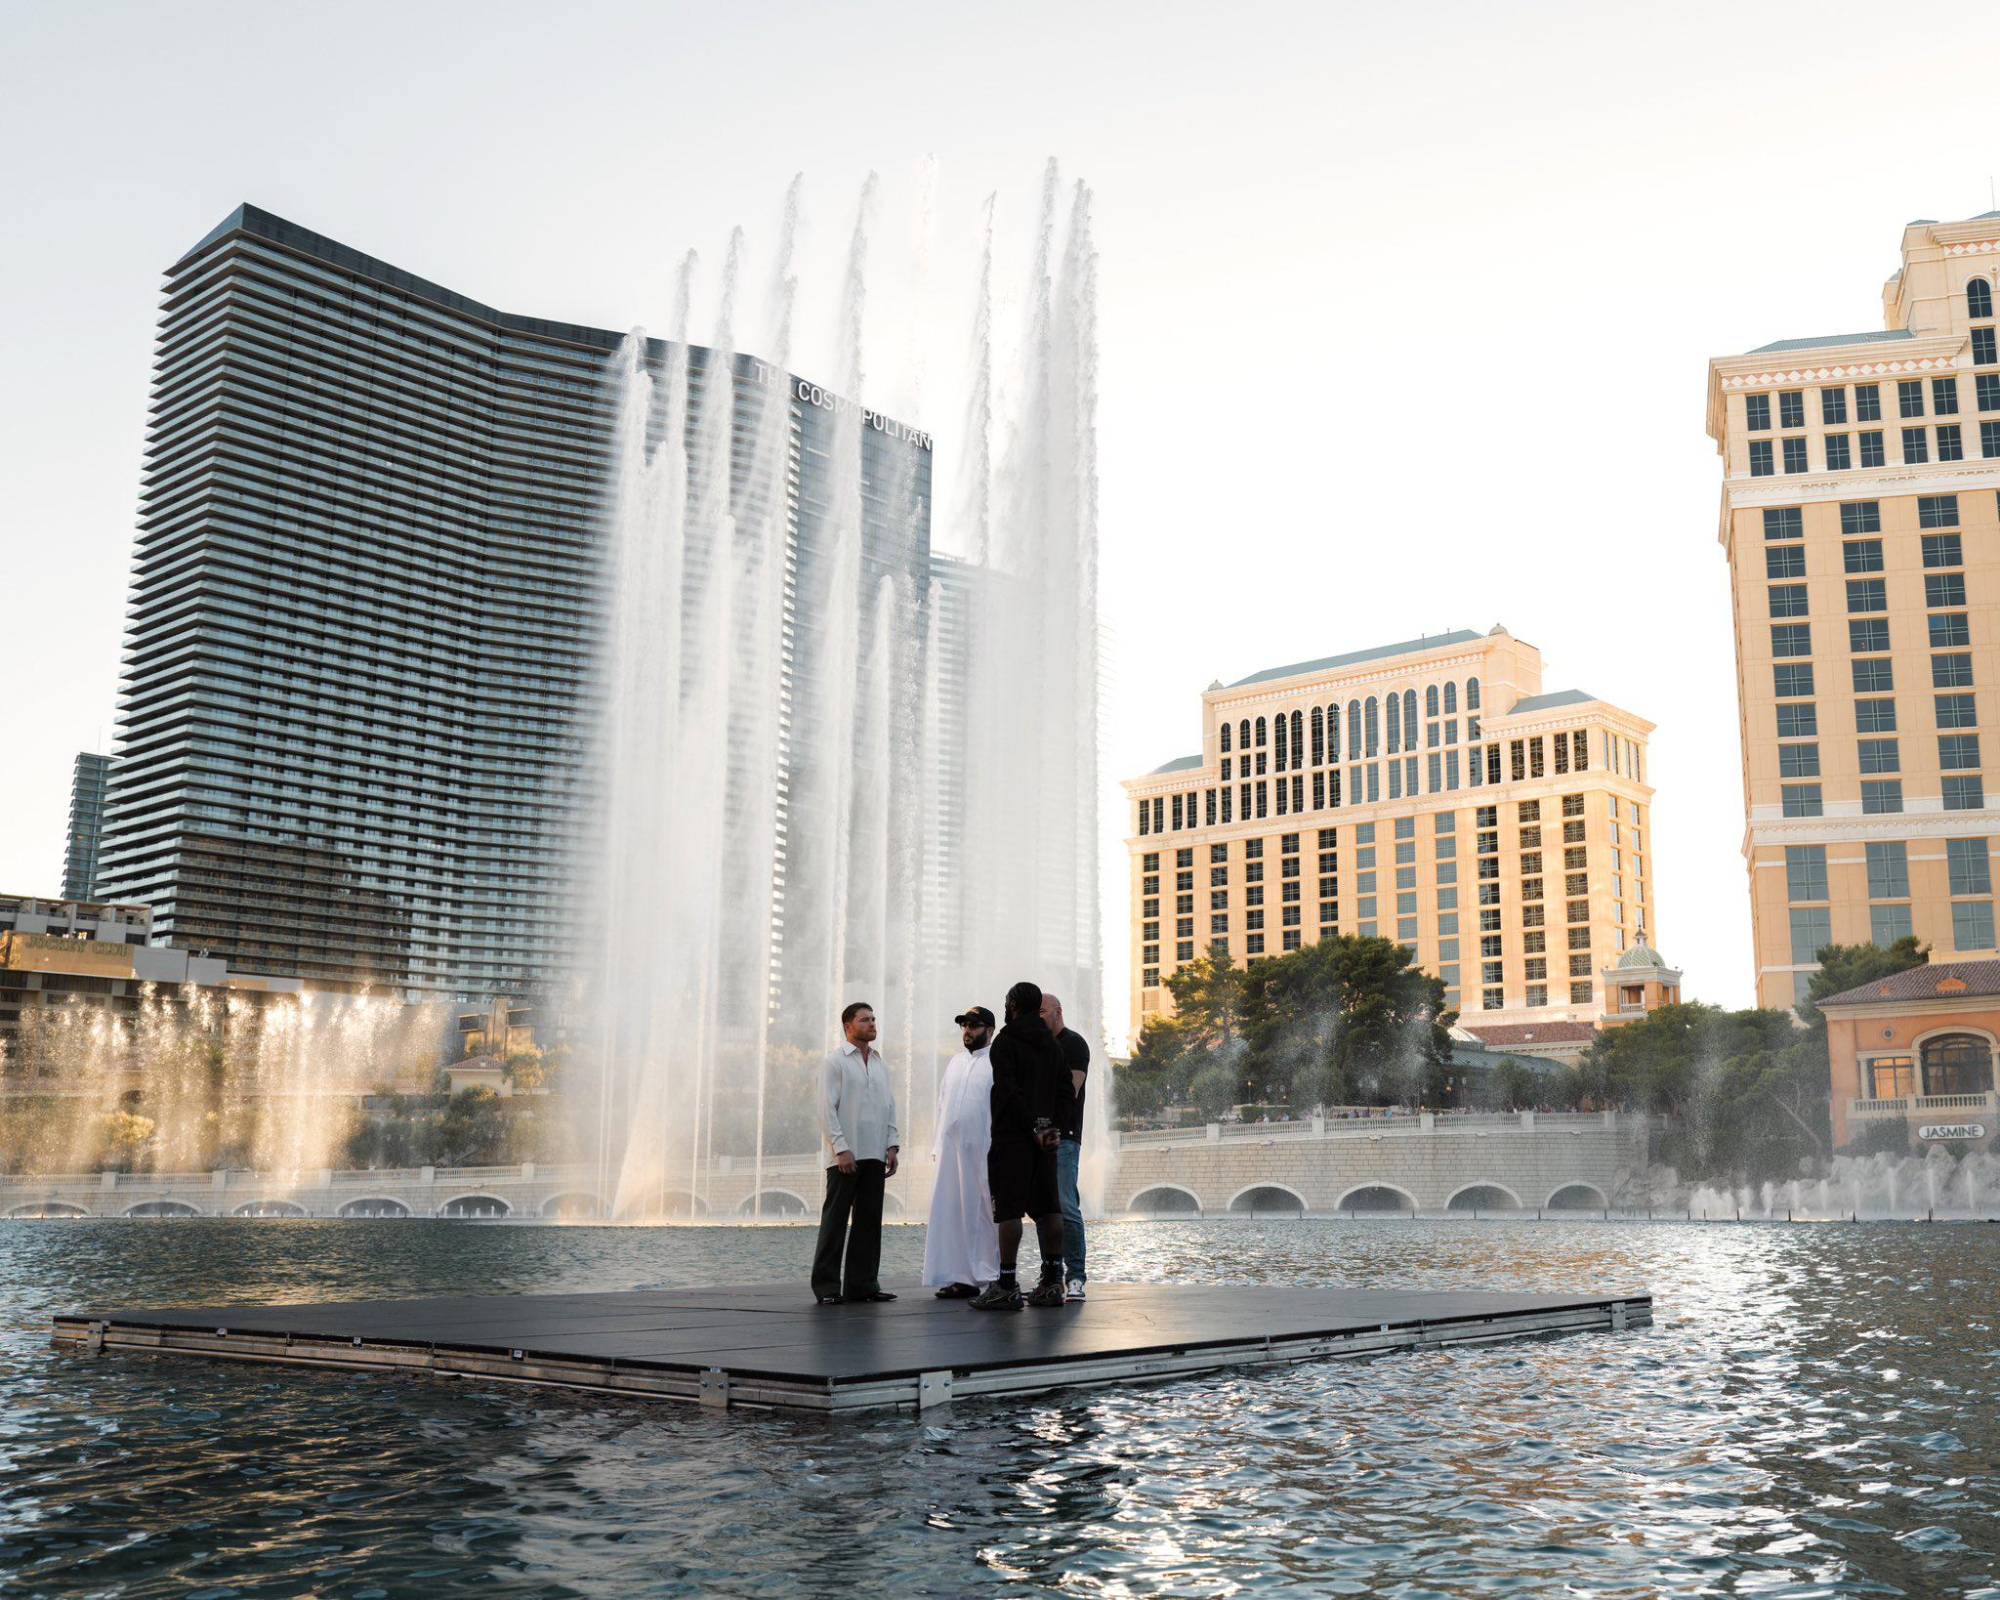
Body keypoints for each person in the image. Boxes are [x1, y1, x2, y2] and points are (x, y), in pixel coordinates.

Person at [971, 980, 1069, 1311]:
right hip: (1046, 1138)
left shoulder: (1006, 1041)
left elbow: (1009, 1091)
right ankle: (1054, 1282)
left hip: (1012, 1138)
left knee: (1008, 1209)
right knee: (1049, 1207)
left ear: (1013, 1005)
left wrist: (1030, 1126)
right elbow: (1066, 1091)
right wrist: (1052, 1127)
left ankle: (1007, 1284)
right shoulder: (1052, 1043)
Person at [811, 1001, 899, 1305]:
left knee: (869, 1222)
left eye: (873, 1018)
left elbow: (890, 1105)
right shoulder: (834, 1062)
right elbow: (826, 1109)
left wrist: (892, 1144)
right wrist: (840, 1148)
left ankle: (863, 1286)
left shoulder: (879, 1062)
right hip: (845, 1157)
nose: (872, 1023)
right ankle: (826, 1288)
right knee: (835, 1221)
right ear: (848, 1026)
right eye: (865, 1020)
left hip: (874, 1153)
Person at [922, 1005, 1001, 1298]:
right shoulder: (954, 1062)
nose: (967, 1031)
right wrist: (936, 1144)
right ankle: (959, 1276)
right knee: (952, 1209)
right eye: (964, 1026)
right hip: (950, 1151)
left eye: (974, 1026)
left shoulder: (997, 1061)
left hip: (983, 1149)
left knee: (983, 1211)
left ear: (990, 1030)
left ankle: (991, 1274)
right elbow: (943, 1104)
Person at [1041, 991, 1091, 1302]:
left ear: (1058, 1011)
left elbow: (1070, 1090)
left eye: (1043, 1011)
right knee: (1044, 1209)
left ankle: (1076, 1277)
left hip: (1065, 1136)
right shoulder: (1039, 1046)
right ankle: (1052, 1275)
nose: (1039, 1017)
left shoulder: (1073, 1043)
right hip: (1039, 1136)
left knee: (1065, 1205)